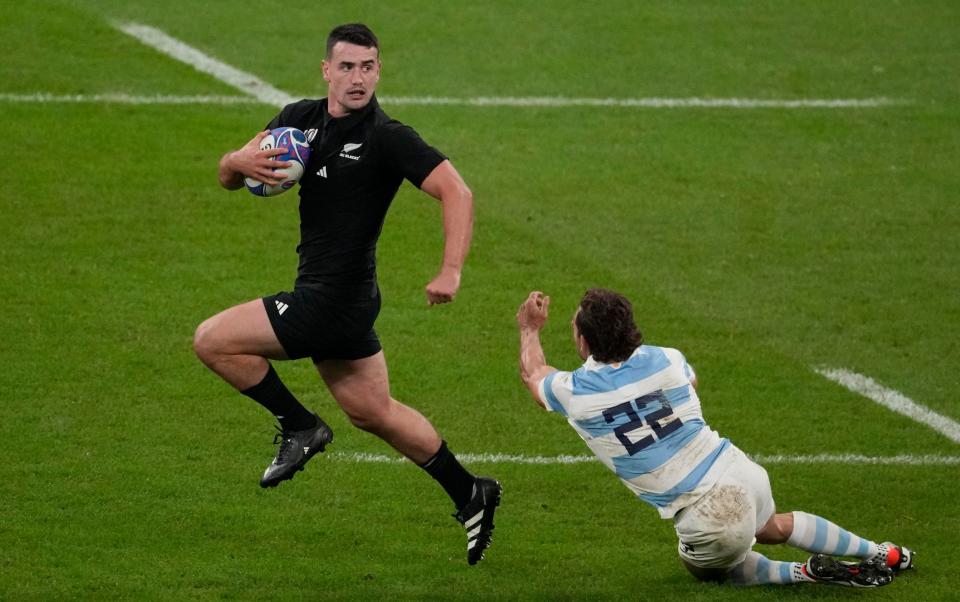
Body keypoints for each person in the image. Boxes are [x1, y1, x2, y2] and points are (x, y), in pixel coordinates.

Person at [193, 23, 500, 565]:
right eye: (348, 66)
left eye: (368, 66)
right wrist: (235, 163)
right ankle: (469, 490)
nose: (358, 78)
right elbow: (230, 174)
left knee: (213, 341)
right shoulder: (297, 119)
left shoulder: (386, 137)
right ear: (327, 70)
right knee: (373, 411)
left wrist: (450, 270)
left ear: (378, 70)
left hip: (334, 301)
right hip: (343, 298)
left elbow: (457, 190)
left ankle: (300, 425)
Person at [515, 288, 914, 586]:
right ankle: (884, 552)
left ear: (583, 342)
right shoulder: (667, 358)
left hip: (706, 515)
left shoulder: (577, 392)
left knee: (707, 569)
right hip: (741, 471)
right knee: (771, 525)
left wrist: (529, 329)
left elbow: (534, 375)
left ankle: (803, 572)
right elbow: (693, 383)